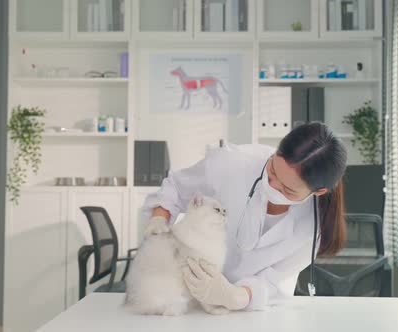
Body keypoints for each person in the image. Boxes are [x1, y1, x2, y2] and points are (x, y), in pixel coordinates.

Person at [141, 122, 347, 311]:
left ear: (318, 191)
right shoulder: (232, 162)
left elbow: (273, 280)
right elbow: (176, 188)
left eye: (287, 189)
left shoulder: (315, 228)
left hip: (256, 315)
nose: (272, 186)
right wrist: (159, 220)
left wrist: (235, 296)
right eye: (272, 170)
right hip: (191, 302)